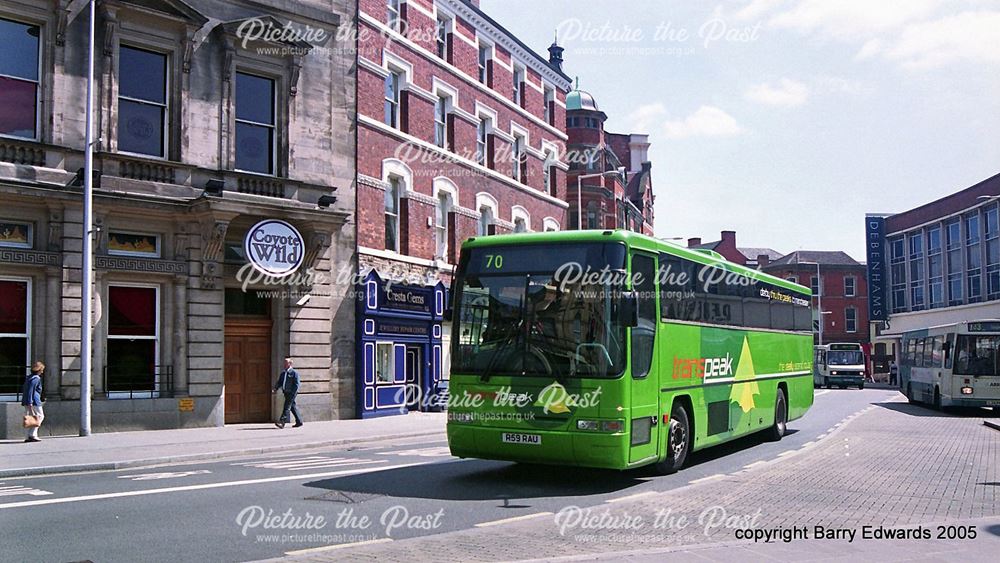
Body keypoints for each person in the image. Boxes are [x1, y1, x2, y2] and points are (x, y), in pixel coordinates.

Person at [273, 358, 302, 428]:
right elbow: (280, 382)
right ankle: (299, 421)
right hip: (285, 392)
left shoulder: (294, 373)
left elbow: (297, 384)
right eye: (284, 363)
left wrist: (293, 392)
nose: (284, 364)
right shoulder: (283, 373)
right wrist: (275, 388)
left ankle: (282, 422)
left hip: (291, 393)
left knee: (286, 407)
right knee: (292, 407)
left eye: (286, 363)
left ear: (290, 364)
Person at [21, 361, 45, 442]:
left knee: (31, 418)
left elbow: (25, 389)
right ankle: (33, 435)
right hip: (34, 400)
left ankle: (29, 435)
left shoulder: (29, 377)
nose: (42, 371)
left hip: (28, 400)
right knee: (39, 416)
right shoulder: (36, 378)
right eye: (42, 370)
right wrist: (30, 402)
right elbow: (31, 390)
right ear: (39, 370)